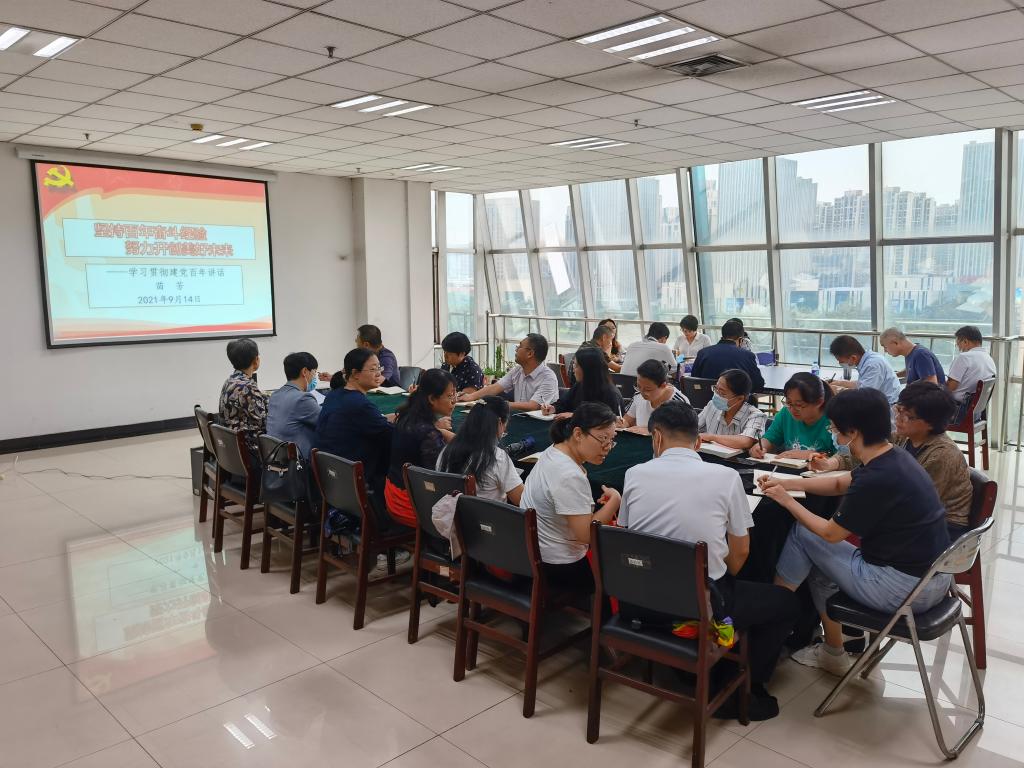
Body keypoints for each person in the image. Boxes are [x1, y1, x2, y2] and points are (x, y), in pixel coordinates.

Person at [620, 402, 799, 721]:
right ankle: (743, 687)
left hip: (638, 600)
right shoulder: (726, 477)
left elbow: (627, 535)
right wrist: (722, 580)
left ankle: (693, 661)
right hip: (700, 605)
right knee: (785, 602)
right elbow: (740, 552)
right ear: (699, 441)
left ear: (656, 438)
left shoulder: (634, 474)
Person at [760, 388, 951, 675]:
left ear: (852, 432)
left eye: (835, 430)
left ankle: (770, 621)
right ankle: (828, 649)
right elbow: (840, 482)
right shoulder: (894, 457)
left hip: (902, 589)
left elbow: (830, 534)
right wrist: (788, 484)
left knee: (803, 534)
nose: (834, 436)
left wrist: (786, 500)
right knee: (819, 561)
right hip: (932, 580)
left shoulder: (878, 477)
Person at [520, 403, 621, 597]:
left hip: (531, 554)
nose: (608, 447)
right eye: (603, 439)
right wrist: (615, 500)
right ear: (578, 434)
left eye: (611, 440)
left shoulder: (554, 450)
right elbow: (586, 535)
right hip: (558, 567)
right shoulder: (569, 475)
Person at [315, 348, 395, 505]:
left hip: (330, 479)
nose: (378, 373)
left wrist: (389, 418)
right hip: (354, 486)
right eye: (373, 369)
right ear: (355, 373)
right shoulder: (359, 405)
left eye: (379, 368)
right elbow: (392, 436)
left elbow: (369, 422)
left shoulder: (334, 395)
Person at [895, 382, 973, 537]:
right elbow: (873, 450)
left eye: (907, 416)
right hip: (913, 518)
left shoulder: (942, 455)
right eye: (898, 410)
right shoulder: (905, 437)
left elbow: (919, 505)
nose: (898, 418)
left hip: (941, 528)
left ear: (930, 423)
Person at [385, 369, 457, 528]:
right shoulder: (428, 435)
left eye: (455, 394)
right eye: (449, 396)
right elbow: (439, 478)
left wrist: (441, 432)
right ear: (432, 399)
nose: (454, 401)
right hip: (412, 507)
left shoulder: (406, 416)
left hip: (393, 495)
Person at [437, 396, 524, 505]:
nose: (504, 430)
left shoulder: (446, 451)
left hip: (450, 514)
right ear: (499, 423)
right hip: (487, 516)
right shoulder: (497, 457)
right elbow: (522, 499)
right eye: (505, 424)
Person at [457, 333, 559, 411]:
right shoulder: (518, 370)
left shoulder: (548, 377)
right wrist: (470, 397)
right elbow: (495, 388)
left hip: (540, 425)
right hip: (519, 418)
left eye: (519, 346)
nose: (516, 349)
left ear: (530, 353)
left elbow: (533, 406)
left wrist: (498, 404)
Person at [748, 372, 834, 460]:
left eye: (799, 405)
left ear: (819, 402)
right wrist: (760, 447)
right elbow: (770, 439)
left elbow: (842, 458)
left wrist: (814, 455)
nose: (792, 410)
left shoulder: (833, 420)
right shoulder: (786, 413)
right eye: (789, 403)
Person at [219, 337, 269, 465]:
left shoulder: (229, 380)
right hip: (250, 452)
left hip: (230, 447)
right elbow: (265, 423)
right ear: (256, 360)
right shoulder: (248, 387)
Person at [543, 346, 623, 419]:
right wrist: (553, 408)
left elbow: (608, 421)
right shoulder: (580, 385)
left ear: (588, 369)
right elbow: (564, 403)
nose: (573, 370)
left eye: (576, 365)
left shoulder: (610, 394)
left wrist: (575, 416)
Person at [267, 351, 320, 458]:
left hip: (277, 459)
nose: (314, 377)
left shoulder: (275, 395)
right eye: (314, 372)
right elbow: (327, 423)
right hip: (298, 462)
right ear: (304, 371)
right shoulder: (303, 399)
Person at [698, 368, 767, 450]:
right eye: (716, 389)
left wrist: (712, 437)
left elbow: (746, 441)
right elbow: (692, 429)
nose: (716, 395)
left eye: (722, 393)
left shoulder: (756, 416)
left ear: (740, 398)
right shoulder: (712, 406)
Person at [691, 319, 765, 393]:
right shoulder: (747, 355)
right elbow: (758, 383)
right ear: (741, 340)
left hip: (707, 397)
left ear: (722, 336)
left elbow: (693, 379)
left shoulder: (703, 353)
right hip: (735, 399)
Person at [827, 335, 900, 405]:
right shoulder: (868, 359)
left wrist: (837, 390)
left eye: (842, 361)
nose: (840, 363)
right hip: (878, 401)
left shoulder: (872, 365)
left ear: (853, 358)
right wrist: (839, 383)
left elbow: (864, 396)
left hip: (886, 407)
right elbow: (861, 384)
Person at [946, 325, 996, 424]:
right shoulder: (989, 359)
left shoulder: (964, 358)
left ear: (965, 341)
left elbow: (951, 387)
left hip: (958, 412)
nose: (959, 348)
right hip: (976, 413)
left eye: (958, 344)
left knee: (922, 406)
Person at [621, 359, 689, 431]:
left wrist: (649, 432)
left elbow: (684, 434)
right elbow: (627, 420)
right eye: (638, 386)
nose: (642, 392)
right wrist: (622, 423)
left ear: (663, 386)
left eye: (648, 389)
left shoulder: (679, 403)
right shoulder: (638, 396)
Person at [879, 328, 945, 385]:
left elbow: (931, 383)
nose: (885, 351)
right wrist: (894, 374)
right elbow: (912, 369)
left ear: (896, 342)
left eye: (885, 347)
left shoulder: (921, 354)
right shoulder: (912, 353)